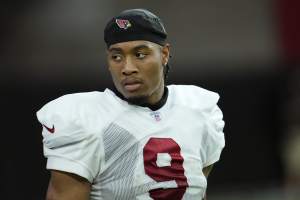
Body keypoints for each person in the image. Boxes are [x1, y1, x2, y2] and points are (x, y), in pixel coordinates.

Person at [36, 8, 225, 200]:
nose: (127, 68)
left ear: (165, 54)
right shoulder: (85, 118)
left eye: (140, 55)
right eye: (116, 57)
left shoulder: (199, 110)